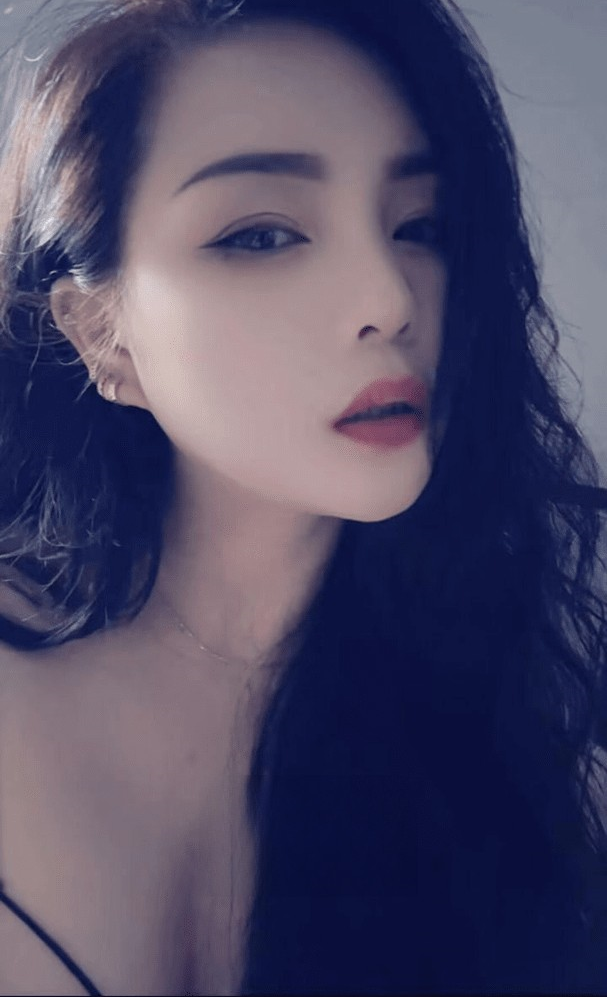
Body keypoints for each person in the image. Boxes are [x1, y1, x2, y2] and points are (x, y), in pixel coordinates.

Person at [0, 0, 605, 992]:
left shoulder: (524, 757)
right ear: (102, 334)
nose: (390, 300)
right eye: (263, 234)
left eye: (420, 226)